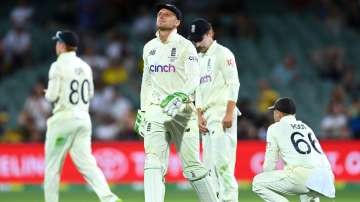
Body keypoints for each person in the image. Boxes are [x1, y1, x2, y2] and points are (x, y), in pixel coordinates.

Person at [134, 4, 218, 202]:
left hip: (182, 110)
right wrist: (144, 109)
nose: (162, 16)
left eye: (168, 14)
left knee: (192, 169)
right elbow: (146, 81)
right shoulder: (149, 47)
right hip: (156, 110)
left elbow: (194, 78)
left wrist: (180, 95)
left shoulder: (185, 46)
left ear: (178, 22)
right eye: (160, 13)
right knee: (152, 163)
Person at [44, 30, 122, 202]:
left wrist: (47, 92)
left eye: (58, 43)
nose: (56, 46)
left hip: (64, 119)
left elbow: (51, 96)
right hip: (84, 119)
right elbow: (91, 94)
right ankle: (109, 198)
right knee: (87, 164)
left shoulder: (57, 66)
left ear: (62, 45)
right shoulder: (85, 66)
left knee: (52, 167)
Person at [188, 18, 240, 202]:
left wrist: (228, 113)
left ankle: (230, 199)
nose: (196, 43)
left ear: (210, 33)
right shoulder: (200, 59)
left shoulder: (223, 53)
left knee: (223, 163)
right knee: (209, 165)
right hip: (207, 115)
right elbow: (199, 90)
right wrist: (199, 114)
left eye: (199, 38)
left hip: (222, 112)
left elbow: (234, 83)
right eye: (194, 39)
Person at [252, 97, 335, 202]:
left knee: (258, 183)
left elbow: (270, 162)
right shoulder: (306, 127)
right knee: (307, 193)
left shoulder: (275, 127)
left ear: (279, 113)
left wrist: (269, 179)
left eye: (274, 111)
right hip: (327, 177)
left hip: (304, 177)